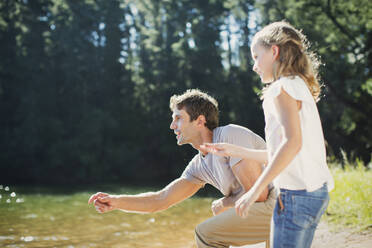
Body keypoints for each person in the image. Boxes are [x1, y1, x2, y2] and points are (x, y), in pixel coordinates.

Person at [201, 21, 334, 248]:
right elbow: (286, 151)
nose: (254, 66)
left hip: (295, 197)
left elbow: (292, 143)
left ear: (274, 51)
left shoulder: (280, 89)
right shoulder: (299, 85)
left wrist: (252, 192)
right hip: (316, 193)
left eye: (256, 56)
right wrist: (237, 151)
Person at [88, 89, 276, 248]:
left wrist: (223, 204)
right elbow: (160, 200)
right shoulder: (199, 165)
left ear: (200, 121)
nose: (172, 126)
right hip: (263, 212)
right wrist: (115, 201)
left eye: (178, 118)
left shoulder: (229, 135)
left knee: (205, 234)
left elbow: (258, 196)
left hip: (283, 203)